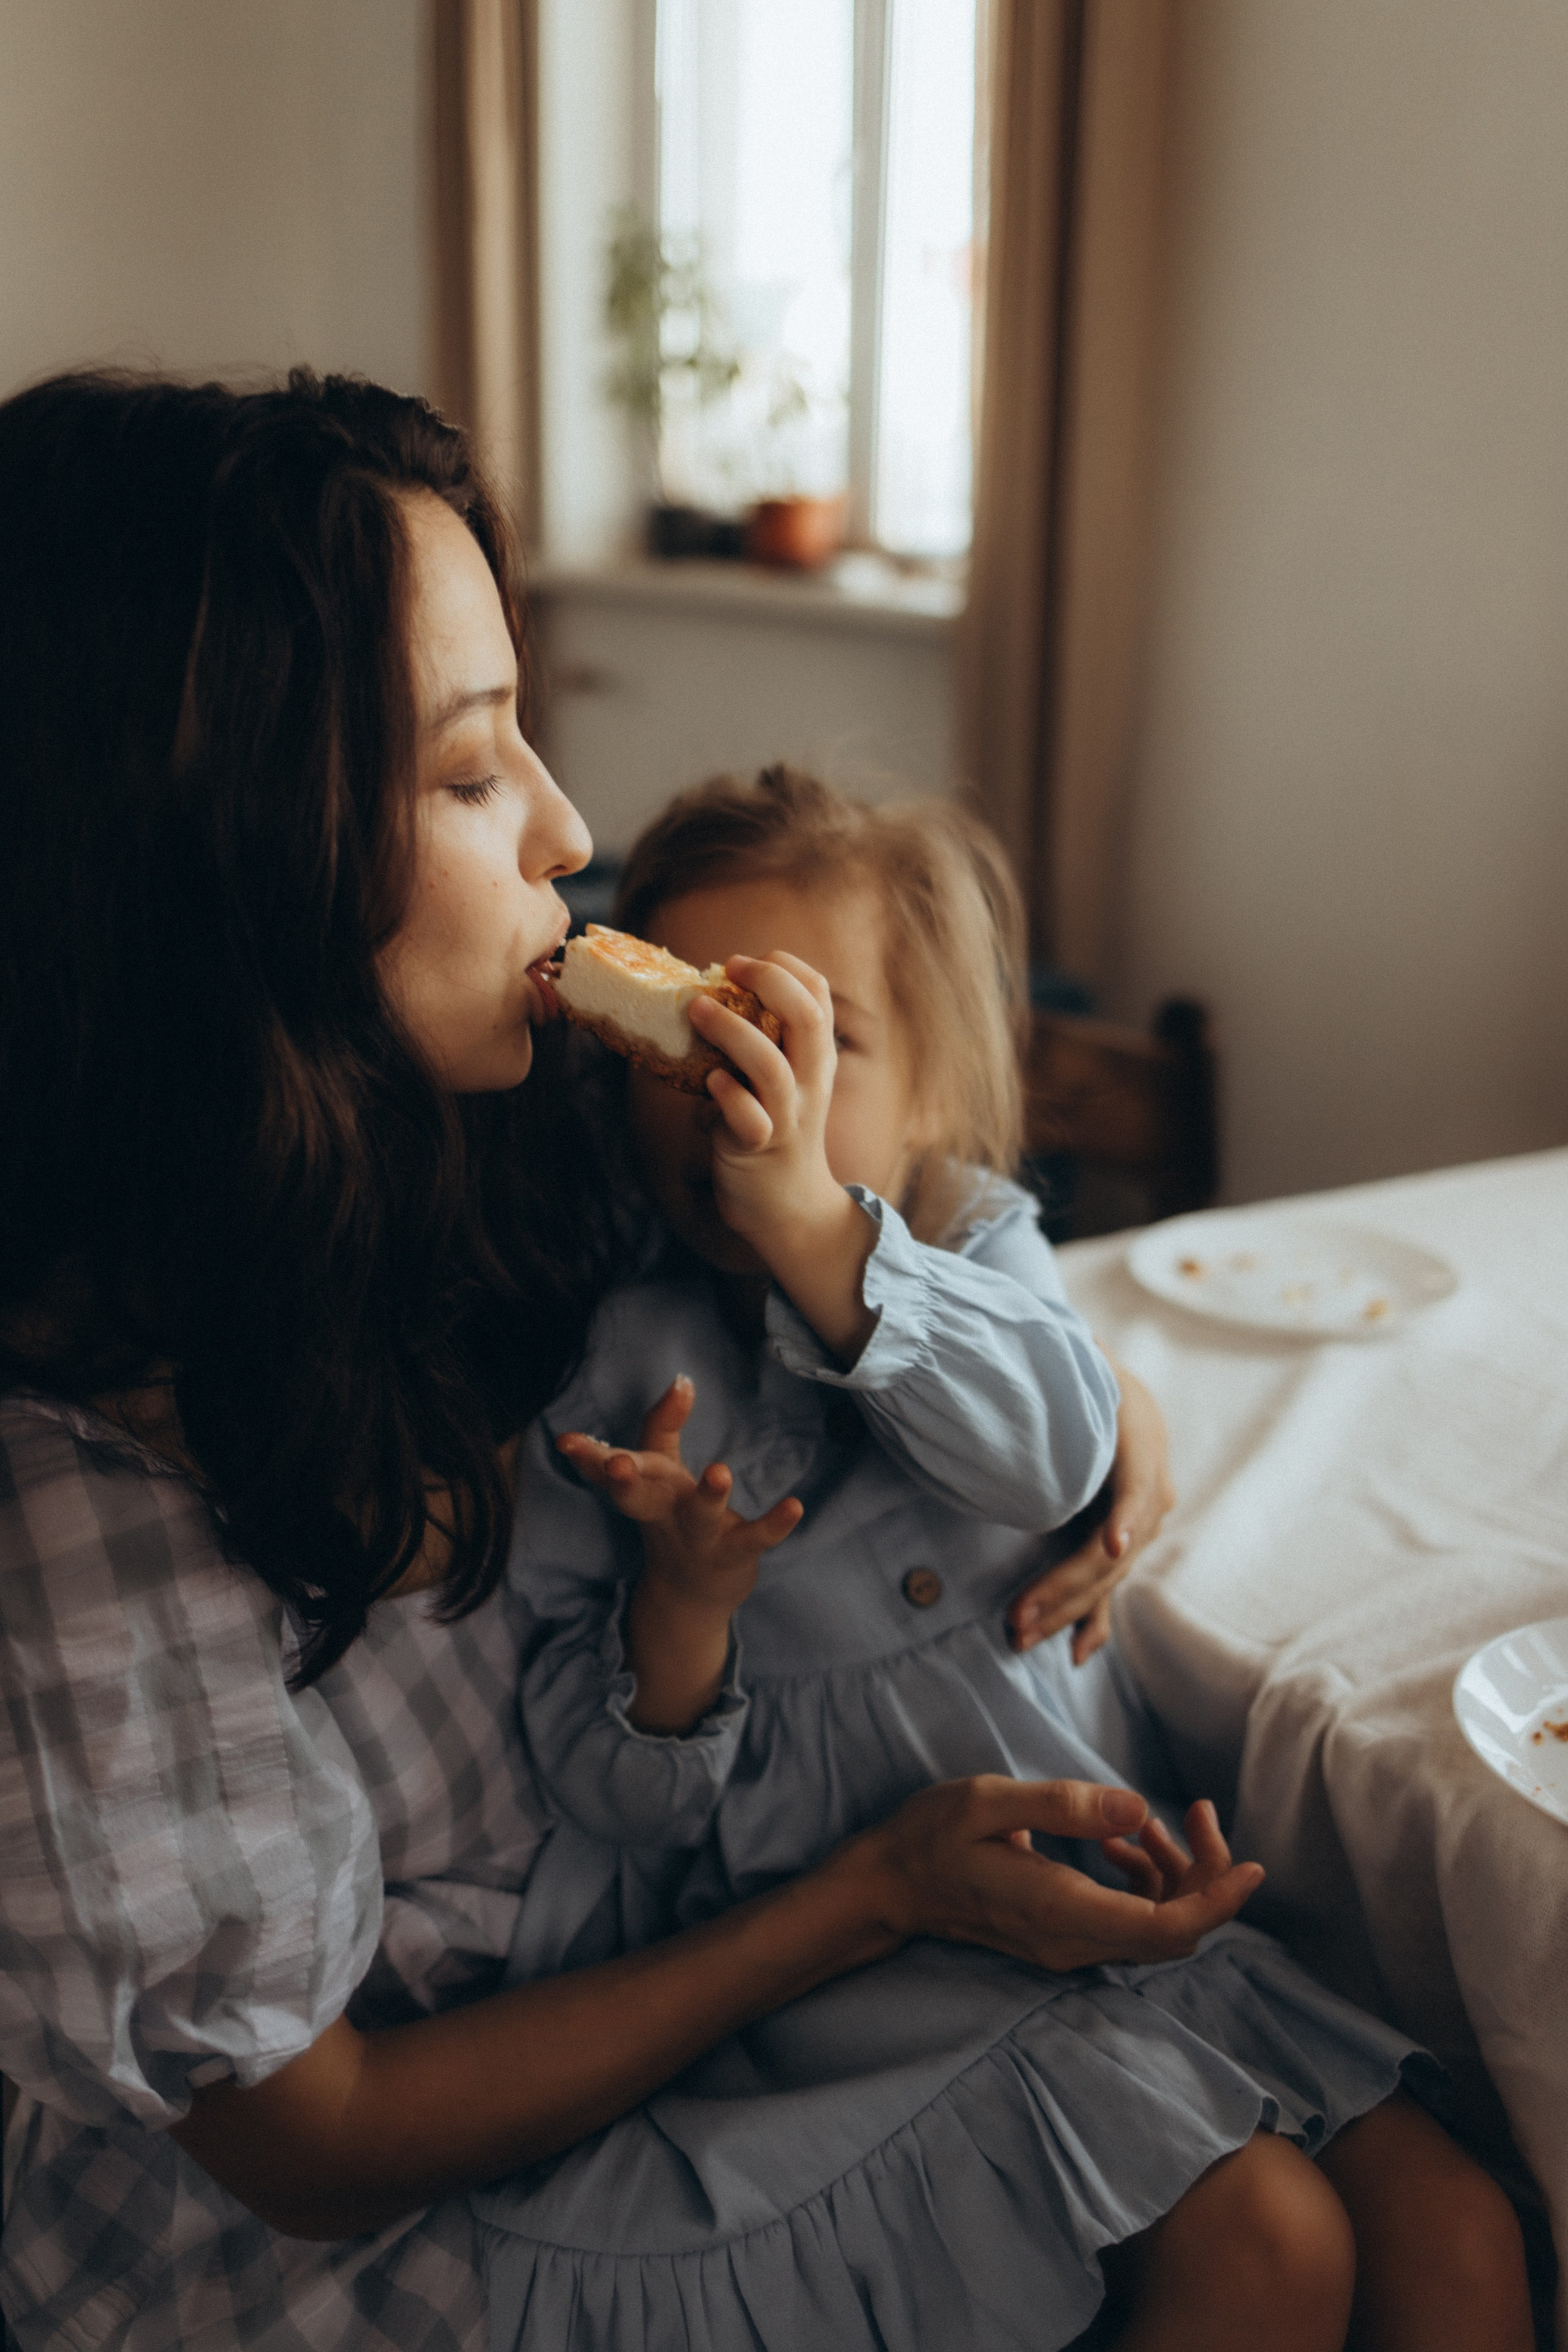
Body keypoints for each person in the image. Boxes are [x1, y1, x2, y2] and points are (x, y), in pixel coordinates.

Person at [0, 369, 1274, 2352]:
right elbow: (322, 2144)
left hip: (652, 1977)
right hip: (377, 2239)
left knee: (1371, 2204)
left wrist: (1108, 1410)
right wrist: (878, 1891)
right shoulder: (74, 1486)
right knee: (1248, 2239)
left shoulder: (476, 1127)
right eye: (467, 769)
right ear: (225, 863)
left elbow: (869, 1233)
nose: (573, 834)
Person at [485, 768, 1535, 2352]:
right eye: (693, 1041)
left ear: (935, 1103)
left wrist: (822, 1234)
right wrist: (685, 1613)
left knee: (1459, 2241)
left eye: (810, 1037)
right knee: (1267, 2249)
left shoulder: (970, 1247)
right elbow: (617, 1803)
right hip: (877, 1988)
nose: (736, 1090)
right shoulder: (610, 1370)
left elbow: (1056, 1450)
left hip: (1133, 1937)